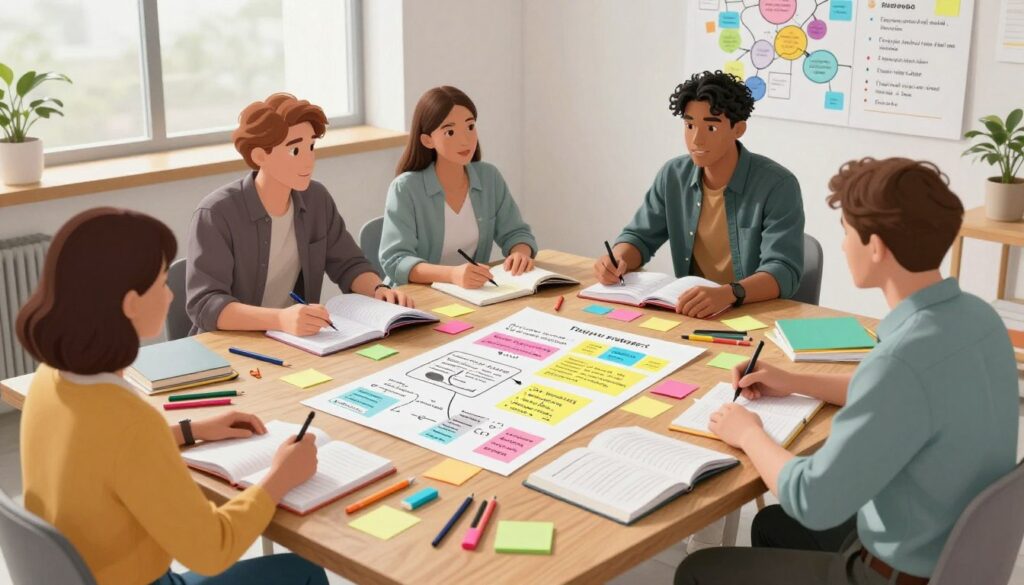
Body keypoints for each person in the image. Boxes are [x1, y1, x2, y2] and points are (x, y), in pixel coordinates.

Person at [675, 158, 1018, 584]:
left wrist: (747, 432)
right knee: (773, 526)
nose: (841, 246)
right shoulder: (977, 318)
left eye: (847, 232)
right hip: (953, 547)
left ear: (876, 247)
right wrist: (793, 380)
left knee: (698, 571)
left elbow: (810, 497)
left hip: (897, 573)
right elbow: (906, 394)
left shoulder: (900, 361)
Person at [17, 207, 327, 585]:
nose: (169, 296)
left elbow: (102, 453)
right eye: (163, 283)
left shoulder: (49, 379)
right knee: (302, 570)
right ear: (130, 302)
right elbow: (214, 549)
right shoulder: (132, 423)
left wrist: (189, 431)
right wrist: (280, 476)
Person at [187, 92, 413, 336]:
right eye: (295, 150)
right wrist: (280, 319)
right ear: (260, 156)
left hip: (299, 340)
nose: (308, 160)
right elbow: (205, 304)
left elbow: (349, 264)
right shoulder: (217, 214)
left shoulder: (316, 199)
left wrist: (377, 289)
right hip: (235, 345)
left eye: (311, 147)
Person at [594, 70, 804, 317]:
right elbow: (640, 236)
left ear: (738, 129)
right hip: (693, 312)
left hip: (753, 315)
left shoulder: (778, 185)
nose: (696, 139)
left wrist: (728, 293)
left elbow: (783, 270)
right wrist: (618, 258)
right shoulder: (673, 175)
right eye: (689, 124)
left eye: (711, 128)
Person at [379, 86, 538, 288]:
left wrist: (520, 253)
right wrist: (452, 274)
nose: (465, 140)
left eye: (470, 127)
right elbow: (395, 260)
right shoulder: (405, 188)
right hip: (417, 301)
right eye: (450, 131)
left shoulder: (489, 177)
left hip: (472, 296)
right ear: (428, 140)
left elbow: (516, 232)